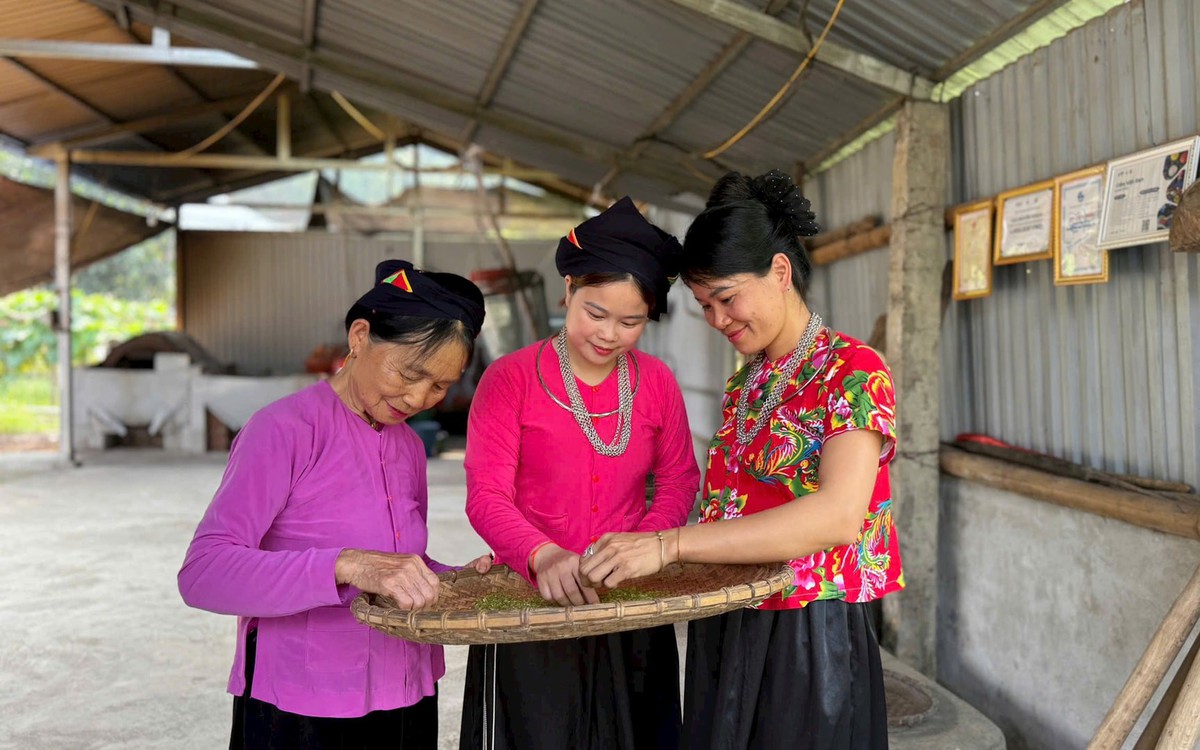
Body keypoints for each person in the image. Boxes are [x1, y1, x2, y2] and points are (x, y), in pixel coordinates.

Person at [581, 170, 902, 749]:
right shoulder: (746, 385)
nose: (718, 320)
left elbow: (836, 517)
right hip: (727, 617)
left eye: (726, 299)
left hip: (807, 633)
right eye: (705, 305)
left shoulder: (851, 371)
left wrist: (670, 544)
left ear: (780, 272)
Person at [178, 259, 493, 750]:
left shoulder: (408, 445)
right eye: (409, 373)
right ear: (361, 336)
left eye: (440, 386)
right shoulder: (283, 430)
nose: (418, 397)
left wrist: (456, 578)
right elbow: (203, 574)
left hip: (406, 691)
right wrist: (346, 565)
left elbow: (398, 556)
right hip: (303, 705)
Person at [459, 197, 701, 749]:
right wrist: (540, 554)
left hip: (634, 599)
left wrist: (643, 547)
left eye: (631, 321)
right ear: (567, 291)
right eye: (595, 312)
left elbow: (680, 478)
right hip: (534, 601)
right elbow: (486, 494)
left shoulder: (656, 381)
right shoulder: (509, 379)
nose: (609, 334)